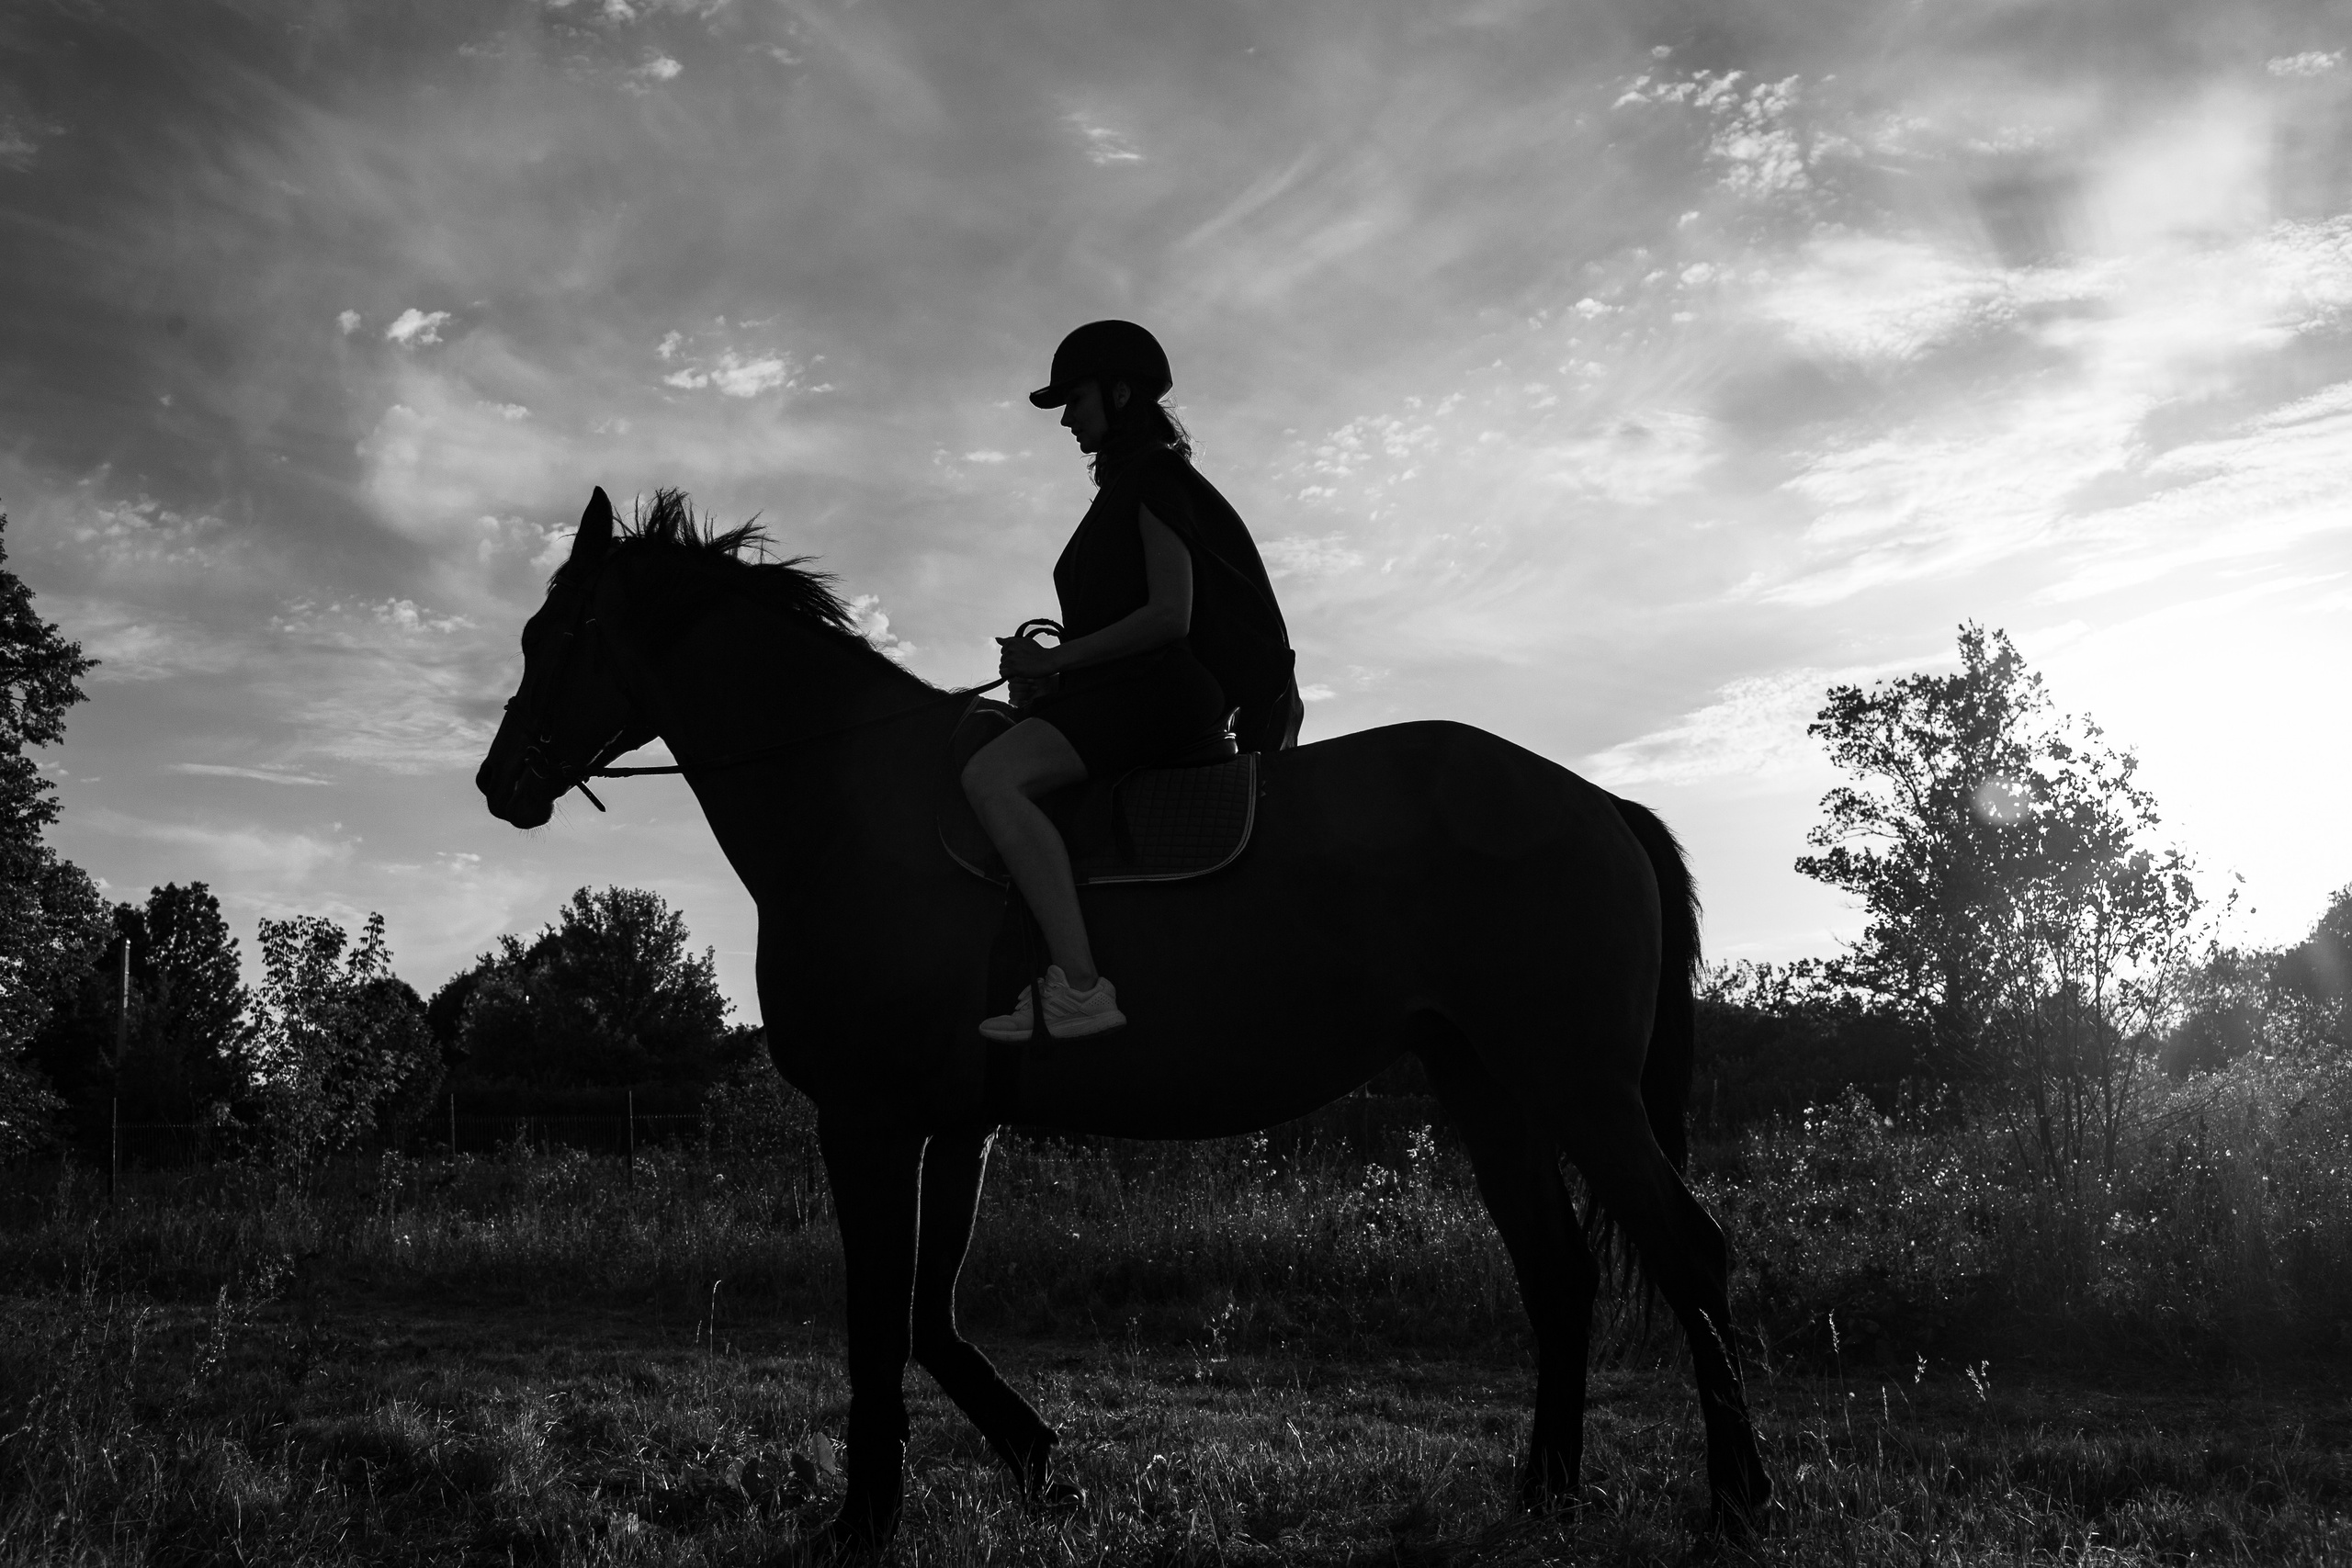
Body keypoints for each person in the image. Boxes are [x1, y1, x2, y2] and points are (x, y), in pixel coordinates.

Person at [963, 320, 1300, 1042]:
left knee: (992, 777)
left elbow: (1170, 615)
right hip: (1129, 690)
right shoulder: (1126, 485)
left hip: (1159, 693)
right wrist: (1053, 682)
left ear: (1120, 394)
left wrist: (1052, 662)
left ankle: (1079, 984)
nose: (1066, 418)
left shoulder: (1153, 478)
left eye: (1075, 399)